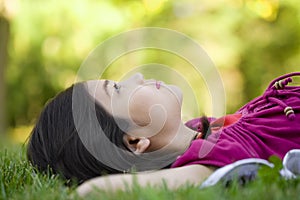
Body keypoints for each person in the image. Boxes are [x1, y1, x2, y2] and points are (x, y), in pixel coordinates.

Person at [26, 72, 300, 195]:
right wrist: (89, 190)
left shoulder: (199, 131)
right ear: (135, 140)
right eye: (119, 89)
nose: (137, 76)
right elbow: (99, 189)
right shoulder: (208, 162)